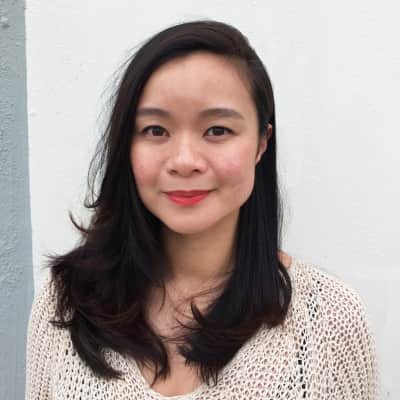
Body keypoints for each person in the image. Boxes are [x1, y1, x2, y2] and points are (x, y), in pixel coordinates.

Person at [25, 20, 379, 399]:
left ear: (262, 143)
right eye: (156, 130)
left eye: (217, 130)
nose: (184, 161)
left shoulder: (329, 320)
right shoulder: (65, 302)